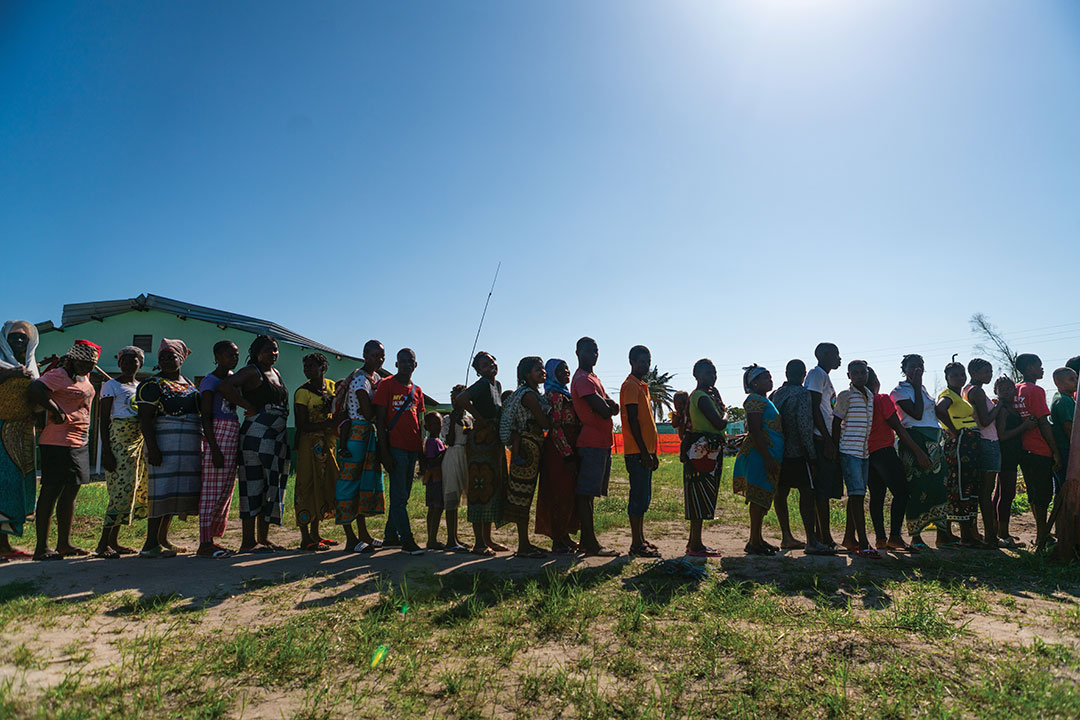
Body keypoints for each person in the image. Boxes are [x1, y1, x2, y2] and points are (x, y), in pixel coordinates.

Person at [28, 340, 99, 561]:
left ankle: (64, 544)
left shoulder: (84, 377)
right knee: (51, 491)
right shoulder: (59, 374)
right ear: (73, 358)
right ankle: (42, 548)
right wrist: (55, 410)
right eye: (82, 362)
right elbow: (35, 388)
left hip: (79, 441)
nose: (85, 367)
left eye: (90, 364)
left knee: (71, 492)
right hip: (57, 441)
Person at [219, 335, 290, 553]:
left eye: (276, 350)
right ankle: (248, 541)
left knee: (270, 486)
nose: (273, 354)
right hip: (256, 436)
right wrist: (246, 404)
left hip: (276, 437)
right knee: (253, 486)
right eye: (269, 350)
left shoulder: (275, 373)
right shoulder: (252, 371)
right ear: (258, 352)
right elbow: (225, 386)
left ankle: (263, 538)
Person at [136, 338, 202, 558]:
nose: (166, 360)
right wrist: (153, 448)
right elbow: (145, 419)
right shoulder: (152, 385)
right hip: (164, 444)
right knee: (161, 490)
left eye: (171, 356)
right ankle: (149, 544)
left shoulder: (189, 384)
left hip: (187, 447)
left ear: (181, 358)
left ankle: (162, 539)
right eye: (162, 357)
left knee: (175, 493)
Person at [769, 359, 830, 554]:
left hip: (779, 452)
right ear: (803, 374)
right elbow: (804, 425)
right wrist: (811, 455)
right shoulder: (802, 394)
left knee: (781, 492)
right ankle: (811, 540)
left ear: (786, 373)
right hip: (797, 452)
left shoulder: (776, 394)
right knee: (807, 492)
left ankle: (786, 536)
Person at [889, 354, 948, 550]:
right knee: (916, 488)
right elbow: (916, 414)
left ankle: (942, 534)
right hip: (915, 441)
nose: (918, 369)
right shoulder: (899, 391)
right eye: (913, 366)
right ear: (904, 369)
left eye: (921, 365)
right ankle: (916, 536)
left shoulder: (923, 390)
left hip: (932, 440)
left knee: (938, 486)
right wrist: (915, 385)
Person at [866, 366, 927, 552]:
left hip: (867, 454)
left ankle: (880, 539)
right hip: (884, 451)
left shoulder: (861, 401)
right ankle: (895, 536)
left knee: (877, 495)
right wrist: (918, 452)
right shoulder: (882, 399)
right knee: (901, 492)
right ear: (876, 382)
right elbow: (899, 428)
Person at [95, 346, 147, 559]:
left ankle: (114, 542)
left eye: (133, 361)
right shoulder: (111, 385)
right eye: (124, 361)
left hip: (137, 440)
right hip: (119, 441)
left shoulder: (141, 386)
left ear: (140, 364)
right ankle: (102, 544)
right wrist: (106, 450)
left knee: (131, 490)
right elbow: (104, 419)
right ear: (119, 364)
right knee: (119, 491)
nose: (128, 364)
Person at [455, 351, 509, 556]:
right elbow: (461, 399)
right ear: (478, 370)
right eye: (485, 364)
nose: (491, 366)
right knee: (480, 489)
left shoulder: (496, 385)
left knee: (492, 489)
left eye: (493, 362)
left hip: (493, 442)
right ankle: (479, 543)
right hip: (481, 443)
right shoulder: (480, 384)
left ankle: (487, 539)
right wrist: (479, 418)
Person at [373, 348, 426, 556]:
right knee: (398, 496)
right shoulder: (386, 385)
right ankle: (407, 540)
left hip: (413, 449)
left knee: (403, 496)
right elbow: (379, 420)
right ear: (396, 365)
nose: (405, 364)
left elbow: (420, 423)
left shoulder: (418, 391)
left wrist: (421, 452)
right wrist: (384, 452)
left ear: (415, 365)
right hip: (395, 448)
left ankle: (390, 536)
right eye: (401, 361)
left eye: (409, 361)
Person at [570, 337, 620, 557]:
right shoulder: (581, 379)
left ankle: (587, 540)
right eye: (589, 351)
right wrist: (607, 405)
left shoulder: (593, 378)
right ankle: (590, 541)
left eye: (596, 351)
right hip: (590, 442)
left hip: (601, 441)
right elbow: (604, 408)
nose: (594, 354)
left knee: (590, 494)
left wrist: (608, 405)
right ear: (578, 353)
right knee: (585, 493)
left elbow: (613, 407)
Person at [335, 340, 386, 553]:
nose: (379, 359)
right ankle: (350, 537)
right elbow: (367, 413)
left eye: (381, 355)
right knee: (349, 484)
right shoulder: (359, 381)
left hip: (368, 436)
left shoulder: (376, 378)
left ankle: (363, 534)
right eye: (375, 355)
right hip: (357, 433)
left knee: (363, 484)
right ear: (365, 355)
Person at [499, 356, 551, 558]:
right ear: (527, 374)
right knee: (523, 495)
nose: (543, 371)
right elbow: (544, 422)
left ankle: (525, 543)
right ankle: (523, 545)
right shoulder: (529, 396)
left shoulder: (529, 393)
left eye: (543, 368)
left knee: (525, 494)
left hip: (528, 446)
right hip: (528, 448)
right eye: (538, 369)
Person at [0, 320, 40, 560]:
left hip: (24, 431)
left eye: (23, 338)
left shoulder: (31, 365)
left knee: (17, 485)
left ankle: (5, 544)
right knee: (2, 484)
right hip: (1, 429)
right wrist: (11, 373)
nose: (18, 341)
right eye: (13, 337)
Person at [197, 341, 241, 558]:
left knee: (225, 491)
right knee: (211, 492)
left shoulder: (233, 379)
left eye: (236, 354)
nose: (234, 358)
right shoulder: (210, 381)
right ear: (217, 355)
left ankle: (213, 539)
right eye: (229, 354)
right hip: (217, 435)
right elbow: (205, 416)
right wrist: (213, 447)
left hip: (232, 432)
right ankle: (204, 542)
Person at [1014, 353, 1062, 550]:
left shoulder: (1016, 389)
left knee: (1033, 493)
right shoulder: (1036, 390)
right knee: (1043, 494)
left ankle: (1042, 533)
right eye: (1038, 366)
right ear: (1028, 368)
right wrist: (1055, 451)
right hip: (1039, 448)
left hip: (1023, 449)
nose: (1042, 369)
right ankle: (1042, 536)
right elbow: (1043, 422)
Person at [832, 360, 880, 559]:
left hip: (864, 453)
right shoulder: (846, 396)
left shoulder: (870, 396)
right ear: (849, 375)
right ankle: (863, 542)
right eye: (856, 373)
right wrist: (834, 450)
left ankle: (849, 538)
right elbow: (836, 422)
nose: (860, 376)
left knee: (856, 496)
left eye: (863, 372)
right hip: (849, 451)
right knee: (857, 495)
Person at [733, 365, 783, 556]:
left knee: (763, 498)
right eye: (765, 378)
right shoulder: (754, 400)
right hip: (761, 456)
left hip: (767, 455)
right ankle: (754, 540)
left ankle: (758, 539)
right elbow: (755, 430)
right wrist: (768, 457)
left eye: (770, 376)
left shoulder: (764, 400)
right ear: (754, 382)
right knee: (757, 496)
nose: (770, 380)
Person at [292, 352, 340, 551]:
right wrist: (327, 423)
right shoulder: (302, 392)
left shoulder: (331, 387)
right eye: (306, 367)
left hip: (327, 444)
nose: (308, 371)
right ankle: (305, 537)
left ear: (323, 368)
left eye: (312, 367)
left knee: (323, 484)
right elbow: (301, 424)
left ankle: (316, 533)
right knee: (306, 485)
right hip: (309, 444)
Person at [535, 358, 581, 554]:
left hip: (570, 445)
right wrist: (567, 454)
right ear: (552, 373)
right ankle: (557, 538)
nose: (567, 371)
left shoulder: (566, 394)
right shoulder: (554, 395)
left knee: (570, 492)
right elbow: (555, 427)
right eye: (562, 369)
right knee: (559, 493)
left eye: (567, 368)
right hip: (559, 450)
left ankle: (564, 535)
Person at [936, 359, 983, 547]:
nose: (959, 378)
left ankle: (949, 534)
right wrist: (955, 431)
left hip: (968, 445)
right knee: (960, 487)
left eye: (962, 374)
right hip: (959, 445)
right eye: (955, 375)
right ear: (947, 377)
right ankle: (965, 536)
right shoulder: (947, 395)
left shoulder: (959, 395)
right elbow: (939, 409)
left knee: (966, 486)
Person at [682, 358, 727, 557]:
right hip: (703, 451)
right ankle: (696, 545)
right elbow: (719, 422)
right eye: (709, 373)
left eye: (714, 373)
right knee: (699, 494)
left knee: (701, 494)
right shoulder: (701, 396)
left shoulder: (704, 396)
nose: (713, 376)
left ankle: (694, 542)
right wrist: (725, 415)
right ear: (697, 375)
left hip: (707, 451)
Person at [620, 345, 661, 558]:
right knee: (637, 496)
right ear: (632, 362)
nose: (645, 365)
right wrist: (644, 452)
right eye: (641, 361)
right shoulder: (630, 386)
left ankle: (641, 538)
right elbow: (633, 420)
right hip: (636, 452)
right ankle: (636, 543)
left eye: (648, 360)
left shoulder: (642, 386)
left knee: (644, 496)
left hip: (646, 451)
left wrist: (652, 452)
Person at [804, 342, 843, 550]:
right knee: (821, 490)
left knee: (825, 489)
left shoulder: (824, 376)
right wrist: (827, 439)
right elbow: (813, 406)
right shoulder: (817, 374)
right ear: (825, 355)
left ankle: (823, 534)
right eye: (836, 354)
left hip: (826, 438)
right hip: (820, 439)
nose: (839, 358)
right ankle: (825, 537)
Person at [963, 358, 1002, 549]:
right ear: (975, 372)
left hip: (979, 442)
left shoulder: (967, 390)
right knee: (986, 492)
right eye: (986, 371)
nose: (990, 375)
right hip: (988, 441)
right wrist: (1000, 405)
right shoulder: (977, 391)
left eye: (991, 371)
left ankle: (978, 533)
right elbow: (986, 421)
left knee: (980, 492)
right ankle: (991, 537)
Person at [993, 377, 1033, 548]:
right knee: (1007, 494)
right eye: (1001, 388)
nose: (1006, 391)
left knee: (1000, 493)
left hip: (1013, 453)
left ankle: (997, 530)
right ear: (996, 391)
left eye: (1009, 388)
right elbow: (1002, 435)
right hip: (1005, 453)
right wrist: (1024, 428)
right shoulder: (1002, 410)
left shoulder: (1012, 408)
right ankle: (1003, 533)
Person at [440, 385, 472, 552]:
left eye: (458, 398)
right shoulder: (447, 419)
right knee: (451, 499)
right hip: (453, 455)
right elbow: (450, 441)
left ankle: (457, 537)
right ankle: (450, 540)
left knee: (467, 496)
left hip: (466, 458)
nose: (454, 402)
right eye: (452, 398)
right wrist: (453, 420)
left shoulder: (469, 420)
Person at [422, 411, 447, 549]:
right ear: (427, 427)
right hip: (435, 480)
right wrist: (445, 454)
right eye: (432, 424)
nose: (436, 426)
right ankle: (432, 539)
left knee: (433, 509)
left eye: (439, 423)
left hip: (434, 480)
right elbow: (431, 462)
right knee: (436, 508)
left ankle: (432, 538)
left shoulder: (437, 441)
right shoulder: (432, 442)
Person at [1050, 367, 1076, 488]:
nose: (1075, 382)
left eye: (1076, 378)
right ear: (1058, 382)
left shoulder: (1066, 398)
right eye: (1071, 379)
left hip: (1066, 448)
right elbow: (1069, 428)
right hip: (1067, 449)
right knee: (1068, 486)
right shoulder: (1063, 401)